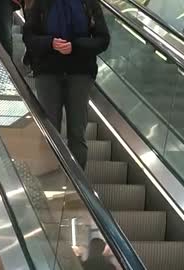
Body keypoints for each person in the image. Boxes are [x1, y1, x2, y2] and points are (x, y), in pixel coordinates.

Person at [23, 0, 110, 168]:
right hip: (48, 72)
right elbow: (29, 36)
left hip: (79, 73)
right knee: (49, 132)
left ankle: (78, 190)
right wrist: (51, 43)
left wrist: (75, 46)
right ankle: (49, 184)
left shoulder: (89, 3)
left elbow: (103, 39)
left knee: (77, 133)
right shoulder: (42, 3)